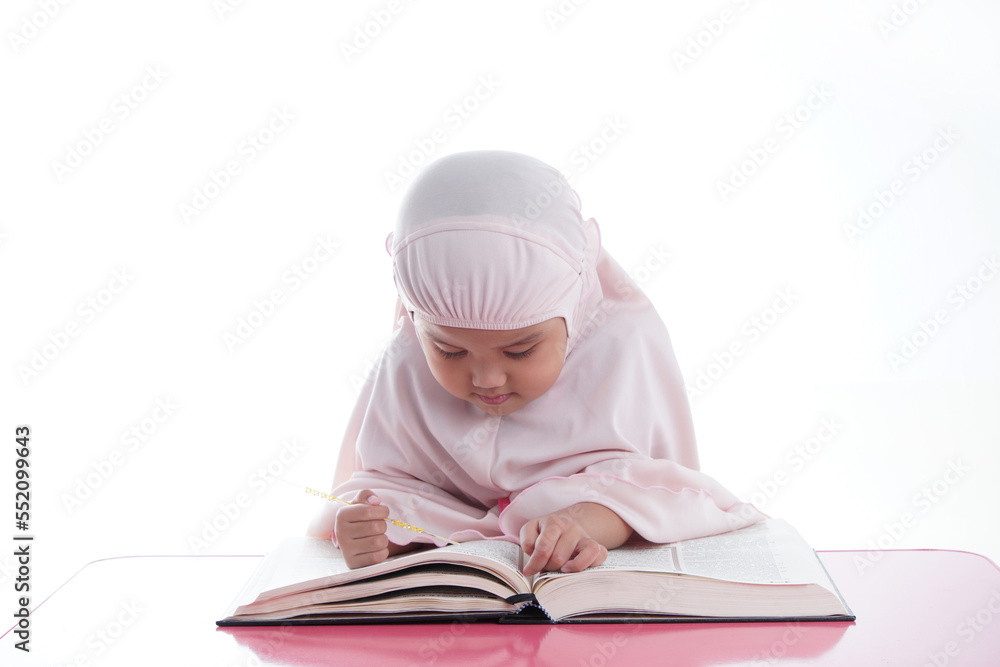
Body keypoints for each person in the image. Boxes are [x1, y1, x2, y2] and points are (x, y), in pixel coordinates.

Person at [307, 150, 765, 573]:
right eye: (450, 350)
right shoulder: (407, 358)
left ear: (577, 306)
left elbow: (660, 489)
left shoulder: (619, 346)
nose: (487, 378)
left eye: (520, 350)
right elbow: (386, 485)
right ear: (413, 318)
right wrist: (373, 531)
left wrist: (590, 520)